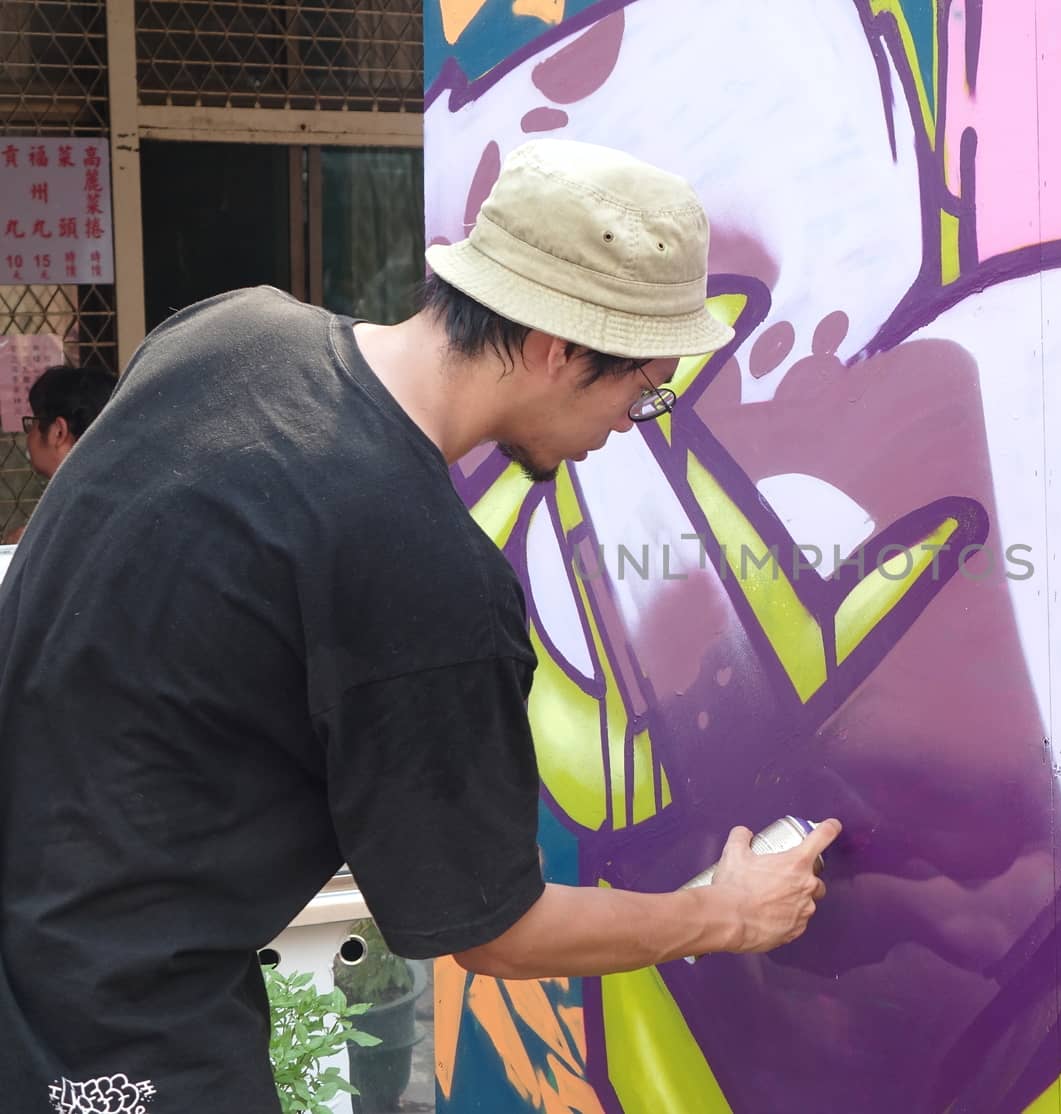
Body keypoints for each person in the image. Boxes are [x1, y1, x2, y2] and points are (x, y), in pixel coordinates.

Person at [0, 138, 841, 1112]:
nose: (630, 421)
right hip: (111, 1036)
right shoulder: (417, 567)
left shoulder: (230, 331)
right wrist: (722, 915)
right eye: (640, 389)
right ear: (556, 348)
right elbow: (493, 930)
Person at [3, 363, 118, 544]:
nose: (29, 433)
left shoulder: (73, 521)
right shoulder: (121, 495)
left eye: (33, 422)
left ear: (58, 432)